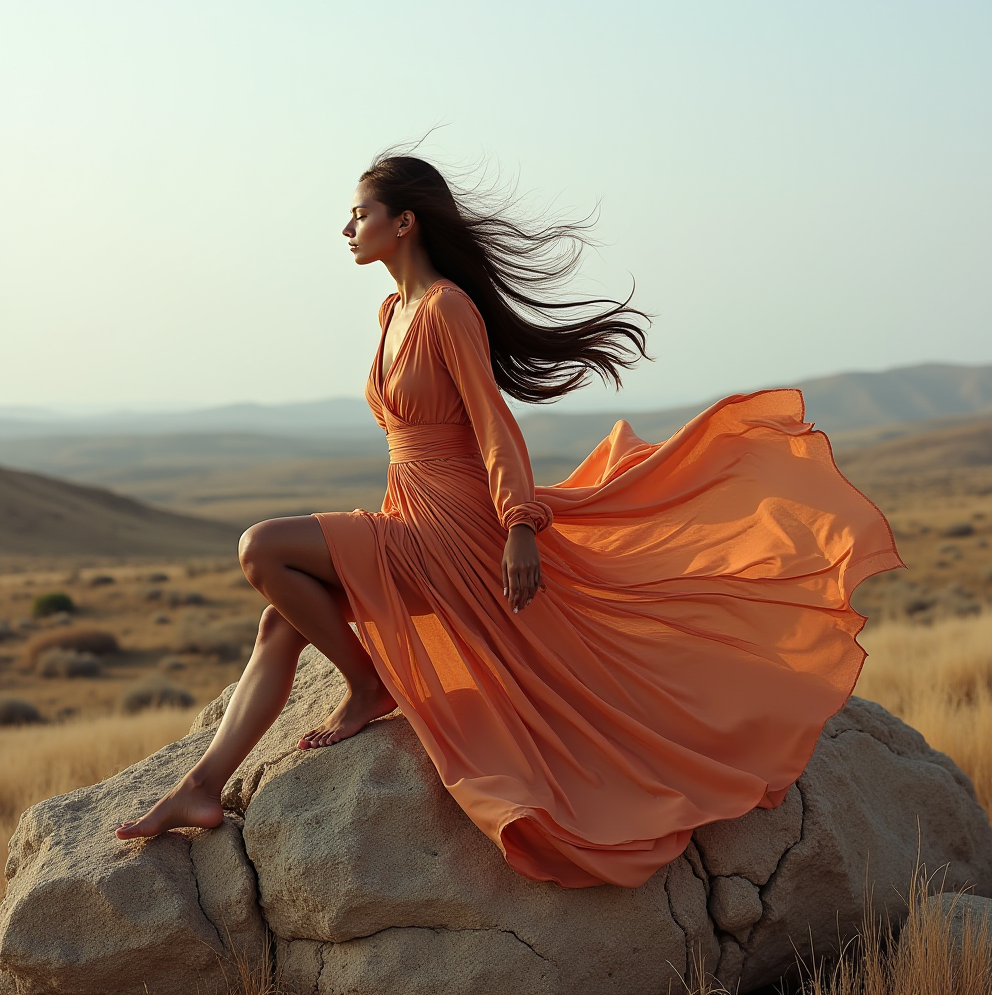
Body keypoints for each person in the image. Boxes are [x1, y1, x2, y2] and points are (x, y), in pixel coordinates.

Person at [115, 154, 903, 889]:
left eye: (359, 213)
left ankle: (366, 684)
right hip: (409, 514)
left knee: (262, 547)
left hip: (453, 530)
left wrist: (520, 525)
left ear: (404, 223)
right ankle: (200, 789)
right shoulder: (393, 310)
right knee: (278, 623)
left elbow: (493, 422)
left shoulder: (447, 308)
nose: (346, 229)